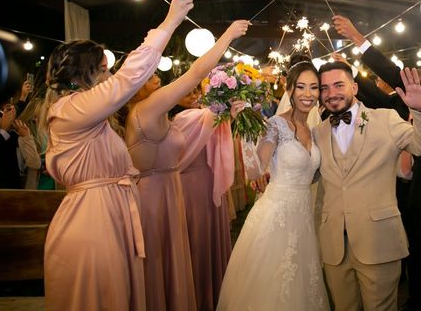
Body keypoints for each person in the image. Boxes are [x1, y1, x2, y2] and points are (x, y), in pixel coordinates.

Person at [38, 0, 196, 311]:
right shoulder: (70, 110)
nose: (110, 74)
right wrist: (170, 22)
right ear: (86, 74)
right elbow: (129, 79)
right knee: (104, 295)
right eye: (104, 68)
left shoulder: (83, 111)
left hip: (110, 211)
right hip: (93, 219)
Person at [333, 15, 421, 311]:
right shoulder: (412, 100)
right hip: (415, 194)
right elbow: (381, 102)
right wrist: (348, 75)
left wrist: (359, 39)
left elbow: (397, 77)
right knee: (418, 262)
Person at [122, 20, 249, 311]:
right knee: (160, 267)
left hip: (166, 193)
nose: (159, 77)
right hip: (155, 200)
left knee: (170, 269)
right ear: (139, 83)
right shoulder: (148, 108)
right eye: (153, 74)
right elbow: (197, 72)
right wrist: (228, 35)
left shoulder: (151, 109)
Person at [314, 61, 421, 311]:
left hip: (378, 241)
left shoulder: (386, 119)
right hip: (334, 245)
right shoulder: (318, 132)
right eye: (324, 88)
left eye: (338, 85)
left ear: (354, 87)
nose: (331, 93)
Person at [217, 60, 329, 310]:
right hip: (276, 216)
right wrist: (244, 132)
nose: (308, 94)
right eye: (301, 87)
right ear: (289, 90)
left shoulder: (313, 130)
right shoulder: (276, 126)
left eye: (314, 87)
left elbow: (312, 174)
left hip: (304, 217)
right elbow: (256, 169)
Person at [171, 90, 237, 311]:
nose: (192, 94)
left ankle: (214, 292)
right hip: (191, 186)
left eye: (196, 90)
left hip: (209, 182)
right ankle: (198, 295)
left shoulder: (204, 115)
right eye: (186, 91)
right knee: (196, 241)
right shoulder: (179, 119)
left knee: (206, 236)